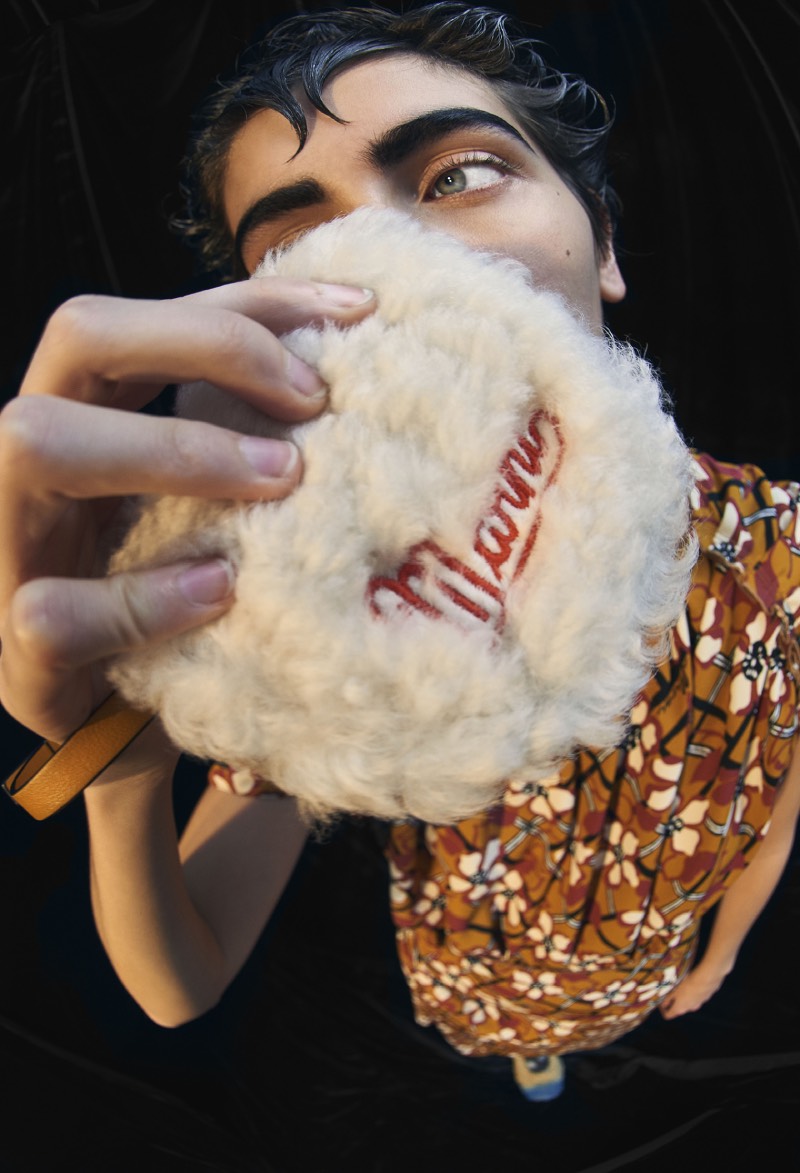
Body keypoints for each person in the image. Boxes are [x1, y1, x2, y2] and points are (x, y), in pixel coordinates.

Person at [0, 2, 798, 1104]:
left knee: (613, 1014)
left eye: (459, 174)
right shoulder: (324, 622)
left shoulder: (780, 550)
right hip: (475, 972)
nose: (394, 269)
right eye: (297, 248)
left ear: (603, 241)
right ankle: (526, 1046)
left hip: (648, 952)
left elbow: (782, 786)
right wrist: (120, 759)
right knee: (511, 1044)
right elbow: (180, 981)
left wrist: (722, 948)